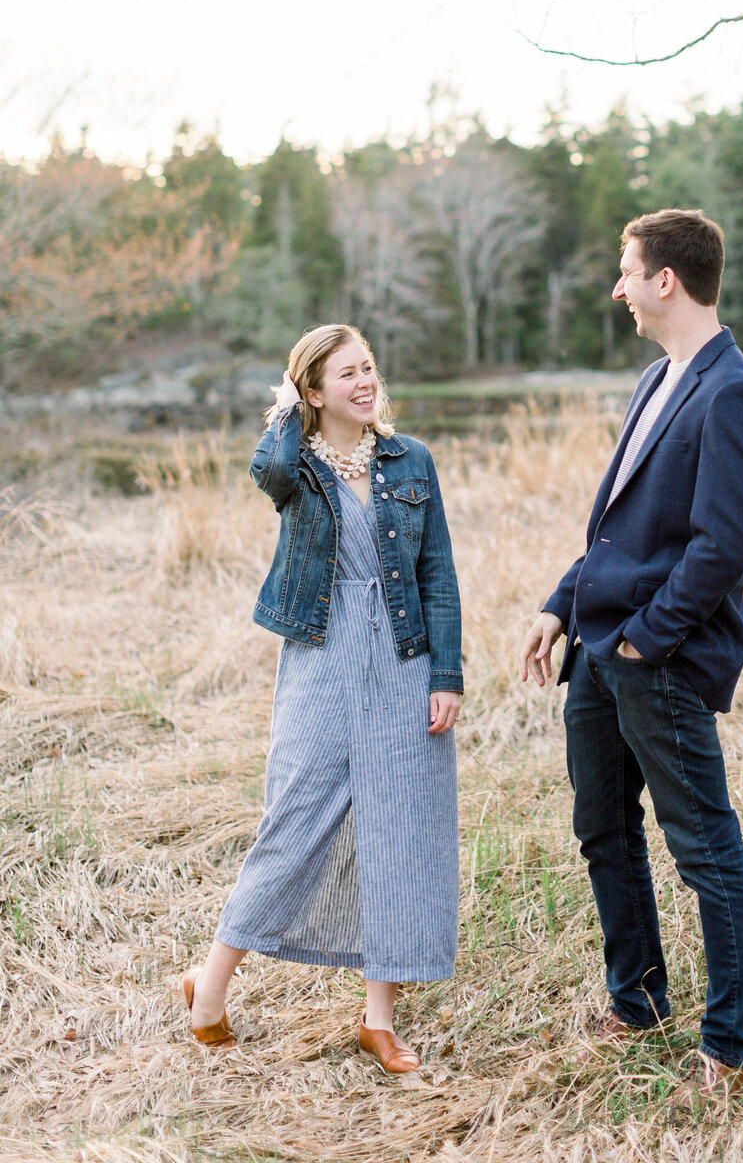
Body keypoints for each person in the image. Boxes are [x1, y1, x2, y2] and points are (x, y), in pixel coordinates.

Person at [519, 209, 743, 1110]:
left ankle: (732, 1046)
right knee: (604, 831)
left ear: (666, 279)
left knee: (705, 847)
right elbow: (616, 527)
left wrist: (644, 639)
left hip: (656, 655)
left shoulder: (734, 393)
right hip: (598, 649)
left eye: (626, 271)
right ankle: (638, 1006)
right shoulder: (656, 379)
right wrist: (563, 606)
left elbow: (722, 545)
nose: (618, 287)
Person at [182, 323, 463, 1074]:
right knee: (298, 814)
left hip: (405, 660)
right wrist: (284, 411)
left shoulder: (413, 461)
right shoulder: (296, 465)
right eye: (346, 375)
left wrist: (447, 676)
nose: (365, 383)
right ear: (313, 391)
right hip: (323, 650)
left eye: (368, 368)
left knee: (399, 828)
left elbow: (437, 573)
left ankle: (379, 1020)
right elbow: (265, 469)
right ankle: (208, 987)